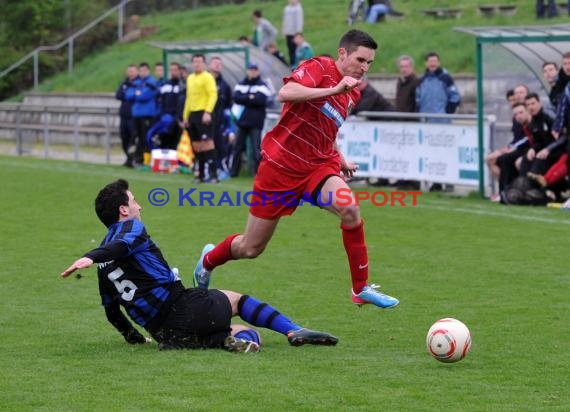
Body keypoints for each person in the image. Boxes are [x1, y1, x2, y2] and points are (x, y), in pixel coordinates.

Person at [193, 29, 399, 310]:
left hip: (317, 167)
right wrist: (334, 89)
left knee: (350, 209)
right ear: (343, 53)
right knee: (250, 248)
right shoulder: (320, 67)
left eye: (369, 63)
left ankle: (360, 288)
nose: (364, 68)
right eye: (361, 60)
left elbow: (327, 128)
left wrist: (339, 158)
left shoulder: (352, 94)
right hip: (280, 168)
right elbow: (285, 93)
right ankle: (208, 260)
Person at [60, 179, 338, 352]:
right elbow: (121, 246)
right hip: (180, 306)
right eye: (134, 201)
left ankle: (234, 341)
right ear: (123, 210)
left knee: (236, 332)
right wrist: (90, 255)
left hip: (164, 335)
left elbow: (112, 311)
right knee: (237, 301)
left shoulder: (102, 264)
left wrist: (137, 340)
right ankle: (293, 329)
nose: (139, 206)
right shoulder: (131, 229)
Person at [230, 62, 272, 177]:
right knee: (237, 148)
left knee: (256, 149)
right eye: (251, 69)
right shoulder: (240, 84)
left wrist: (245, 98)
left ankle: (257, 174)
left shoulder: (262, 85)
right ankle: (233, 172)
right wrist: (251, 97)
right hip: (242, 122)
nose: (252, 72)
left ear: (257, 71)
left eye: (255, 70)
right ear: (247, 70)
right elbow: (236, 98)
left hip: (256, 122)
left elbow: (260, 100)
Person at [183, 54, 219, 183]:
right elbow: (188, 98)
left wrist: (208, 112)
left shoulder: (208, 77)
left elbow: (213, 95)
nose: (197, 64)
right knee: (197, 146)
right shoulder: (190, 78)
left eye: (199, 62)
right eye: (195, 62)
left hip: (203, 114)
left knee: (208, 145)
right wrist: (185, 116)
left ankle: (214, 175)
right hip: (193, 115)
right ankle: (201, 175)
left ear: (204, 64)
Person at [126, 62, 158, 167]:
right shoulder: (137, 82)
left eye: (145, 70)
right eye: (141, 70)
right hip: (136, 114)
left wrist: (137, 94)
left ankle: (146, 159)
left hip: (147, 114)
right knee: (137, 138)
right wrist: (137, 93)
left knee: (146, 137)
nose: (143, 72)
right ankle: (137, 159)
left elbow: (146, 96)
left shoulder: (152, 82)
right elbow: (128, 95)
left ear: (148, 71)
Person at [415, 51, 461, 119]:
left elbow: (455, 97)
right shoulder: (421, 81)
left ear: (439, 63)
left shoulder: (446, 79)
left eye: (435, 61)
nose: (433, 64)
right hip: (425, 122)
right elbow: (417, 99)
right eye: (430, 61)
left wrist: (447, 112)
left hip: (442, 121)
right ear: (426, 63)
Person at [209, 56, 233, 179]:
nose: (217, 65)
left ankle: (221, 169)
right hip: (205, 121)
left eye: (219, 63)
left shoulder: (225, 85)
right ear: (210, 65)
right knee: (205, 146)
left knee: (220, 146)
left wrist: (229, 127)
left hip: (219, 122)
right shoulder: (204, 81)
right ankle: (206, 169)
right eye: (215, 63)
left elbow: (229, 106)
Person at [115, 64, 138, 168]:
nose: (131, 73)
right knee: (124, 138)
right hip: (124, 115)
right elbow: (118, 95)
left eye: (132, 71)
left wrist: (129, 96)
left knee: (132, 138)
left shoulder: (139, 83)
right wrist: (129, 96)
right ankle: (128, 158)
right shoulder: (124, 83)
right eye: (129, 71)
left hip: (133, 116)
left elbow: (137, 97)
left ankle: (132, 159)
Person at [282, 0, 304, 66]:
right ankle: (292, 65)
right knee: (290, 51)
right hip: (288, 33)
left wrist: (298, 33)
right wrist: (285, 32)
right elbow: (285, 21)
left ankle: (296, 65)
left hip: (295, 34)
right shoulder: (287, 8)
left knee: (295, 51)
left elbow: (299, 21)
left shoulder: (298, 9)